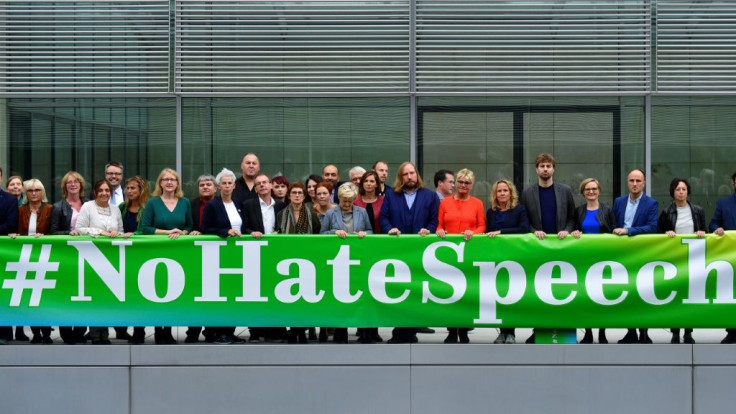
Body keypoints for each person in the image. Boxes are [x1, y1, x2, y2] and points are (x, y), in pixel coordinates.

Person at [379, 161, 439, 344]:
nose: (409, 177)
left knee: (417, 291)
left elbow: (434, 219)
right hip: (398, 251)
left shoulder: (429, 196)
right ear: (400, 177)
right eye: (405, 174)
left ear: (417, 175)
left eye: (412, 173)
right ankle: (401, 330)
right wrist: (390, 229)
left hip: (421, 252)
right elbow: (384, 217)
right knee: (400, 290)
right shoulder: (391, 195)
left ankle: (409, 330)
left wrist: (428, 230)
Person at [519, 153, 575, 343]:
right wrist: (534, 231)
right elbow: (524, 219)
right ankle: (538, 330)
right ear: (536, 169)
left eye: (548, 166)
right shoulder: (527, 193)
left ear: (553, 169)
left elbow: (572, 217)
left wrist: (567, 231)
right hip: (538, 249)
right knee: (538, 292)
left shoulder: (565, 191)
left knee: (561, 290)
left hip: (561, 249)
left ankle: (562, 328)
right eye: (542, 166)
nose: (545, 169)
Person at [142, 168, 195, 344]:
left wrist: (184, 232)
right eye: (166, 179)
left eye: (173, 179)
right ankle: (159, 331)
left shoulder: (185, 202)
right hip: (157, 255)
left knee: (175, 292)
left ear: (177, 183)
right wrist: (167, 232)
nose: (169, 182)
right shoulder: (153, 203)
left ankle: (169, 329)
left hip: (179, 255)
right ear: (160, 183)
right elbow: (146, 228)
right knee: (158, 291)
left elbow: (189, 224)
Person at [71, 179, 127, 345]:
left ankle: (105, 333)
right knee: (94, 297)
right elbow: (78, 229)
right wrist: (101, 232)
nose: (104, 193)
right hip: (91, 258)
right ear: (95, 192)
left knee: (106, 298)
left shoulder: (116, 209)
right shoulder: (88, 207)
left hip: (111, 259)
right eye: (101, 190)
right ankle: (95, 333)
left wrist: (116, 234)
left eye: (107, 191)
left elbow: (121, 231)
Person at [436, 169, 486, 343]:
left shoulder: (477, 203)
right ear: (455, 183)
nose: (463, 186)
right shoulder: (444, 203)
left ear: (472, 185)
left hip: (469, 252)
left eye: (467, 183)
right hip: (449, 254)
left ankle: (464, 330)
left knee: (466, 292)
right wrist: (439, 230)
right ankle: (451, 330)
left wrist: (473, 232)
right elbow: (439, 225)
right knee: (450, 292)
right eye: (460, 182)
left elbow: (482, 227)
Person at [320, 183, 373, 343]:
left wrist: (365, 233)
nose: (347, 204)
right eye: (344, 201)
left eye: (350, 201)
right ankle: (340, 332)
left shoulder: (362, 212)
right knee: (340, 297)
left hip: (358, 259)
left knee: (360, 295)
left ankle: (363, 332)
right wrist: (334, 232)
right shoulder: (331, 213)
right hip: (338, 261)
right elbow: (321, 234)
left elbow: (371, 231)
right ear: (339, 199)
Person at [200, 168, 247, 345]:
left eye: (230, 183)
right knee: (219, 294)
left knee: (234, 294)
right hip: (218, 255)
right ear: (219, 186)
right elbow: (205, 228)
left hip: (237, 255)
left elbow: (243, 228)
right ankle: (214, 332)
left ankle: (229, 331)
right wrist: (224, 231)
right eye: (224, 183)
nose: (227, 186)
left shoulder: (238, 203)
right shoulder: (213, 205)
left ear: (234, 186)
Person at [612, 168, 659, 344]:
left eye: (638, 181)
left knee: (642, 291)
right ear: (627, 182)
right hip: (622, 255)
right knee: (627, 292)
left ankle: (644, 332)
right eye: (631, 180)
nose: (634, 184)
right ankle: (630, 331)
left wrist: (628, 231)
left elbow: (652, 227)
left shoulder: (651, 203)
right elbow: (614, 224)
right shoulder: (619, 202)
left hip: (642, 254)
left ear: (644, 183)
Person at [658, 178, 705, 344]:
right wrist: (666, 233)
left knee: (689, 296)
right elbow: (658, 234)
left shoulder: (698, 210)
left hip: (692, 258)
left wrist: (701, 232)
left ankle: (688, 332)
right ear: (673, 192)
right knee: (676, 296)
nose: (681, 192)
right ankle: (675, 332)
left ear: (688, 191)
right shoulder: (666, 211)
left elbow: (704, 230)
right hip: (674, 260)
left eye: (684, 189)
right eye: (678, 189)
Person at [242, 173, 287, 343]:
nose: (262, 185)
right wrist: (250, 233)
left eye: (265, 183)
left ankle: (277, 330)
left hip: (276, 255)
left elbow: (284, 226)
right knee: (256, 293)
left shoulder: (281, 205)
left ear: (270, 186)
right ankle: (256, 331)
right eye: (258, 183)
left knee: (277, 292)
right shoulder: (247, 205)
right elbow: (243, 227)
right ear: (255, 188)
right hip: (255, 253)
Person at [571, 178, 616, 344]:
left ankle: (602, 331)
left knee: (602, 296)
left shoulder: (608, 210)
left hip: (603, 259)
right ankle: (588, 331)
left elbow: (614, 231)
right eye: (587, 189)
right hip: (584, 260)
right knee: (586, 296)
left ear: (599, 191)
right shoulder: (578, 211)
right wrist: (574, 232)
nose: (591, 192)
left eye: (594, 189)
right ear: (583, 193)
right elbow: (574, 228)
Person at [9, 179, 54, 344]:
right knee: (31, 297)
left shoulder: (50, 209)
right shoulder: (19, 210)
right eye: (30, 190)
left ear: (42, 192)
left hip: (46, 258)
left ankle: (47, 333)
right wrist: (13, 235)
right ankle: (36, 333)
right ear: (25, 193)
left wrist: (45, 237)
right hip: (25, 259)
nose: (34, 193)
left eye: (37, 190)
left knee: (46, 297)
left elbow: (54, 231)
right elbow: (14, 228)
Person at [276, 182, 321, 344]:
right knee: (291, 297)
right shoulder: (282, 214)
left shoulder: (311, 214)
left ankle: (301, 330)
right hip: (287, 261)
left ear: (304, 196)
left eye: (299, 193)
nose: (296, 195)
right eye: (293, 193)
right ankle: (294, 330)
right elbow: (278, 233)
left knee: (303, 298)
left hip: (307, 261)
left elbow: (317, 235)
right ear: (289, 196)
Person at [486, 179, 529, 344]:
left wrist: (501, 231)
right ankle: (502, 332)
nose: (502, 193)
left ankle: (511, 332)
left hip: (514, 259)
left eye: (505, 190)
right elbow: (487, 230)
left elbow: (523, 229)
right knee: (499, 295)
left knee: (512, 295)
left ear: (511, 193)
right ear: (495, 194)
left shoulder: (519, 210)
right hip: (496, 258)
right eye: (499, 191)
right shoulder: (491, 212)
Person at [51, 171, 88, 345]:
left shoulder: (89, 204)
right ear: (64, 186)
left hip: (87, 255)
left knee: (85, 293)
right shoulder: (58, 207)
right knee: (66, 293)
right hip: (67, 256)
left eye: (76, 182)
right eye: (69, 182)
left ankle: (81, 330)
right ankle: (66, 332)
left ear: (81, 185)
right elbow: (53, 231)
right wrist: (69, 233)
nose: (73, 185)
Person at [186, 174, 217, 343]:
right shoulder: (191, 205)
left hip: (216, 255)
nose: (205, 187)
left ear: (215, 188)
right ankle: (193, 332)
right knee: (195, 295)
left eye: (208, 185)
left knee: (212, 295)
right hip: (195, 255)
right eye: (202, 185)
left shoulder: (221, 204)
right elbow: (188, 224)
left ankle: (211, 331)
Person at [120, 175, 150, 344]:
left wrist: (135, 235)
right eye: (128, 188)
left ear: (141, 190)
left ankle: (140, 330)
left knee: (141, 295)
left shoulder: (147, 208)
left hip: (141, 256)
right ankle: (125, 328)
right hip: (124, 256)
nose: (129, 191)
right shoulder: (122, 207)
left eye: (133, 188)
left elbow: (147, 230)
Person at [710, 171, 736, 343]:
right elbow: (713, 223)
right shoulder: (724, 203)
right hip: (730, 258)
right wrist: (717, 229)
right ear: (733, 184)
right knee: (731, 294)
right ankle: (732, 330)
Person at [0, 167, 19, 345]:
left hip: (2, 254)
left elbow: (11, 225)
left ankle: (5, 334)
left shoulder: (9, 199)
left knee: (2, 294)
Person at [354, 170, 384, 234]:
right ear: (362, 183)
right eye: (365, 181)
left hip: (380, 238)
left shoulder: (384, 201)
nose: (368, 184)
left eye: (372, 181)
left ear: (376, 184)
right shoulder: (355, 202)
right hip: (360, 237)